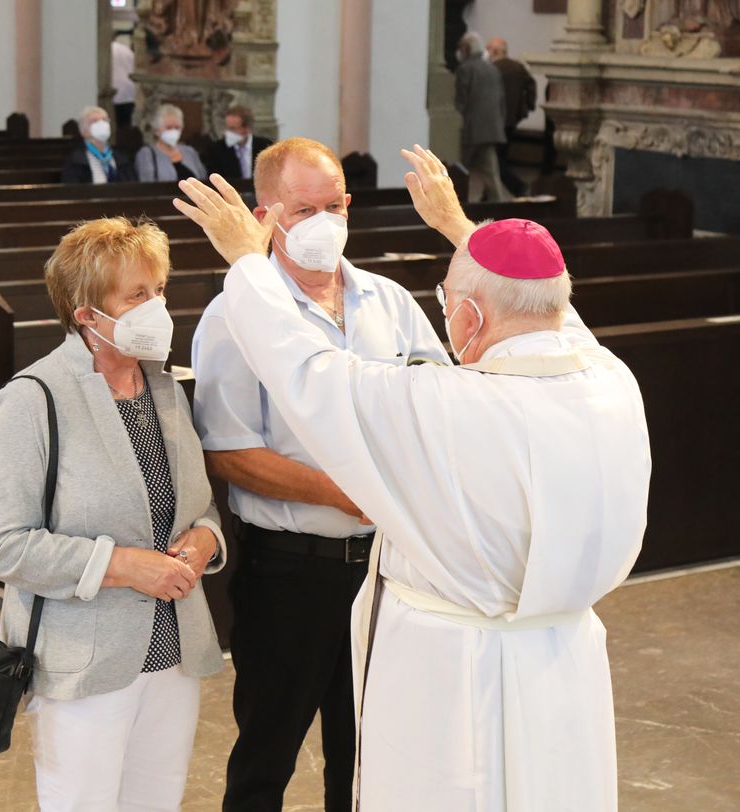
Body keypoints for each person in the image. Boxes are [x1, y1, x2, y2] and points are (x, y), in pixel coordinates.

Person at [172, 151, 651, 809]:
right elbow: (555, 318)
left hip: (457, 663)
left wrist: (245, 262)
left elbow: (309, 371)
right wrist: (460, 227)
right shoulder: (610, 380)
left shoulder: (449, 400)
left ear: (472, 320)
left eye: (452, 303)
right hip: (559, 654)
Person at [191, 137, 450, 812]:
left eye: (334, 205)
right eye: (304, 209)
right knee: (267, 752)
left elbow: (440, 400)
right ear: (264, 214)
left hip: (389, 564)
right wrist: (347, 493)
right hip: (291, 568)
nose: (323, 222)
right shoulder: (234, 315)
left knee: (370, 749)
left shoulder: (388, 301)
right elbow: (228, 451)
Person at [0, 217, 227, 811]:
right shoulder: (33, 398)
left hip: (173, 649)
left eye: (159, 290)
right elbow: (2, 545)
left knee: (157, 801)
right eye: (138, 295)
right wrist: (123, 566)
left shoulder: (163, 386)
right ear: (87, 315)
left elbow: (201, 505)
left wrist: (206, 541)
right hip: (84, 656)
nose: (158, 306)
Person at [455, 31, 509, 203]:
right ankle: (498, 209)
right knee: (490, 174)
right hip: (491, 129)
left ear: (466, 49)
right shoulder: (492, 69)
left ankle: (460, 207)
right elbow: (501, 100)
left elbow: (461, 102)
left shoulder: (465, 69)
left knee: (459, 172)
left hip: (471, 131)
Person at [487, 37, 537, 198]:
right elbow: (531, 85)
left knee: (494, 159)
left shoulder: (492, 69)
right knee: (499, 156)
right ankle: (487, 194)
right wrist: (527, 107)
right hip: (512, 120)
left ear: (495, 51)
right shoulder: (518, 68)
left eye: (489, 49)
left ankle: (519, 187)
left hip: (495, 122)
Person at [60, 106, 138, 185]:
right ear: (83, 132)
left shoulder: (122, 158)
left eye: (105, 120)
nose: (102, 124)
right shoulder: (75, 161)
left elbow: (133, 188)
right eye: (95, 121)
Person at [135, 104, 207, 183]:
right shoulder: (146, 154)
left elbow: (203, 178)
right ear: (157, 130)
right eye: (168, 127)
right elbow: (146, 184)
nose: (173, 132)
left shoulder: (190, 152)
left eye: (177, 128)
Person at [203, 105, 273, 181]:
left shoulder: (266, 147)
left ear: (247, 128)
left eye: (232, 128)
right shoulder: (217, 149)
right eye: (228, 128)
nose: (228, 133)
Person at [111, 37, 137, 130]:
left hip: (114, 93)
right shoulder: (125, 49)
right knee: (125, 126)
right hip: (129, 93)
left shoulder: (104, 49)